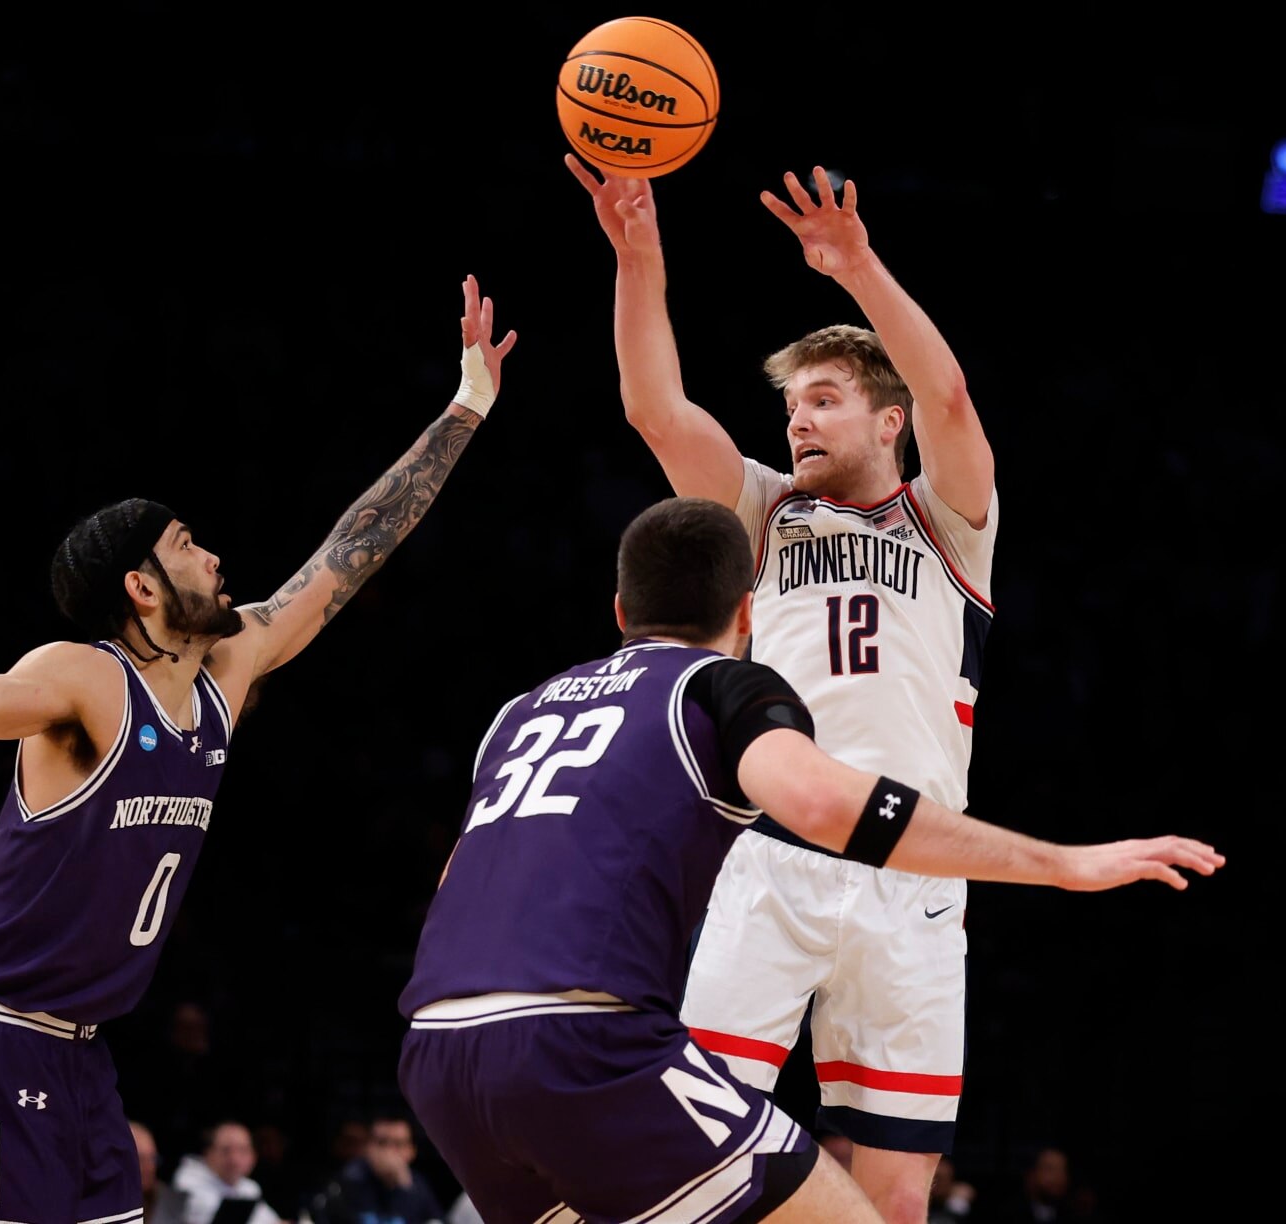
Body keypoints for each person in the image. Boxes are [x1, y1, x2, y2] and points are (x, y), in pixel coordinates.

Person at [0, 275, 517, 1221]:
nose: (212, 556)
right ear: (144, 588)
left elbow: (353, 548)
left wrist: (467, 406)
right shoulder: (85, 681)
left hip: (83, 1051)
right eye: (187, 543)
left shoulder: (227, 671)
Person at [396, 496, 1222, 1224]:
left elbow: (454, 887)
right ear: (748, 615)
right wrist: (1064, 865)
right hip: (580, 1040)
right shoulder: (723, 685)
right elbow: (831, 807)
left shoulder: (518, 711)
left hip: (436, 1053)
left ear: (619, 608)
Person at [568, 151, 1004, 1223]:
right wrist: (637, 257)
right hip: (773, 859)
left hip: (914, 878)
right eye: (792, 405)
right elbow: (656, 410)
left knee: (895, 1201)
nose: (798, 421)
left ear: (885, 421)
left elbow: (946, 389)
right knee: (688, 1152)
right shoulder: (766, 514)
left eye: (825, 401)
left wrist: (856, 269)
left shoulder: (950, 524)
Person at [307, 1111, 444, 1224]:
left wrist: (403, 1190)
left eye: (398, 1144)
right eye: (382, 1143)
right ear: (367, 1147)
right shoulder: (347, 1182)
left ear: (411, 1151)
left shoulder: (418, 1188)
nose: (389, 1151)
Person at [170, 1122, 282, 1224]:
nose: (234, 1159)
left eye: (243, 1150)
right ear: (208, 1153)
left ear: (253, 1156)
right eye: (226, 1150)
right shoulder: (187, 1180)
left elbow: (272, 1220)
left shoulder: (249, 1188)